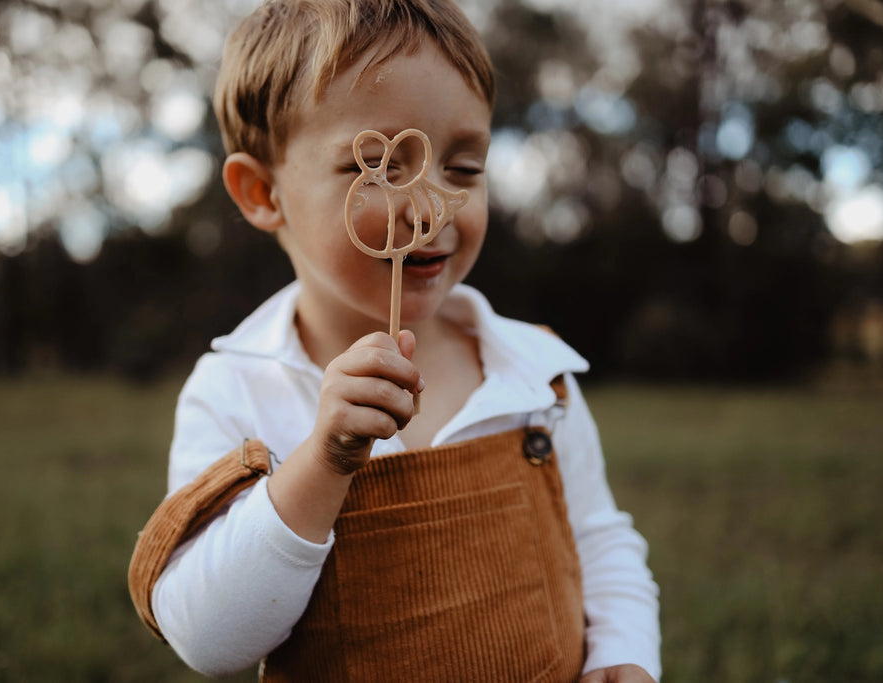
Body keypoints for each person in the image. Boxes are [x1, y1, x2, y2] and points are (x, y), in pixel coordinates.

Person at [127, 0, 660, 680]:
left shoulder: (533, 370)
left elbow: (598, 537)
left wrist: (624, 653)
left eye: (464, 170)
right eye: (379, 167)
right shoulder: (237, 388)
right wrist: (322, 462)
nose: (431, 205)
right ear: (263, 192)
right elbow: (207, 638)